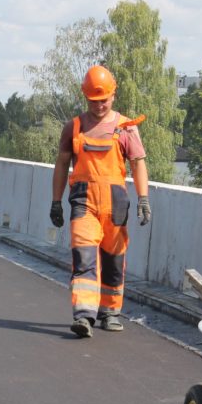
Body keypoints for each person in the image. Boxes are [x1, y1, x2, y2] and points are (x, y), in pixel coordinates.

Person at [50, 65, 151, 338]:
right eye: (94, 101)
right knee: (83, 257)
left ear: (113, 95)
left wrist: (143, 198)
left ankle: (110, 311)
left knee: (114, 259)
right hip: (84, 201)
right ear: (86, 97)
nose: (99, 105)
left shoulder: (126, 128)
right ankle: (84, 316)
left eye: (104, 99)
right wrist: (56, 201)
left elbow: (138, 164)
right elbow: (61, 165)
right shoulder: (74, 127)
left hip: (116, 204)